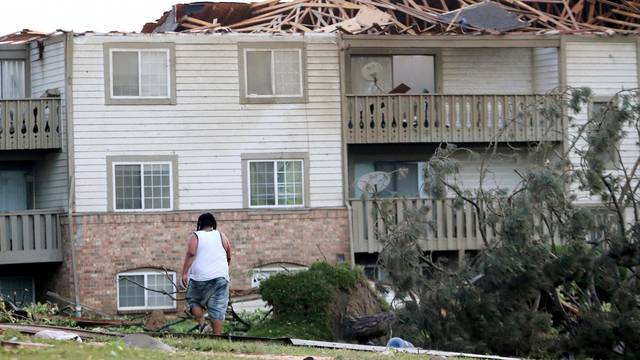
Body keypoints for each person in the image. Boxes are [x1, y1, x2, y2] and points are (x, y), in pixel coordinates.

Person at [181, 212, 232, 335]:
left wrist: (184, 273)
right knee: (218, 308)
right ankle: (217, 338)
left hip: (200, 278)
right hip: (221, 277)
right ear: (213, 224)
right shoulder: (222, 236)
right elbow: (229, 255)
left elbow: (191, 253)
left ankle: (202, 324)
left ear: (200, 224)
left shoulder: (196, 236)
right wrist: (223, 270)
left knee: (194, 301)